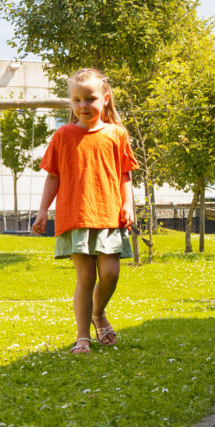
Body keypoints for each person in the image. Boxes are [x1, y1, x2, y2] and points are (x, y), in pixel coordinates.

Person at [32, 68, 138, 354]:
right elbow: (53, 176)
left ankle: (98, 313)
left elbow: (125, 175)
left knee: (111, 273)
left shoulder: (117, 134)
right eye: (77, 100)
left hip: (109, 215)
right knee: (86, 277)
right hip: (76, 216)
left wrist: (128, 204)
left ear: (105, 99)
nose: (83, 105)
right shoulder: (63, 135)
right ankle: (83, 337)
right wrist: (43, 210)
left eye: (90, 98)